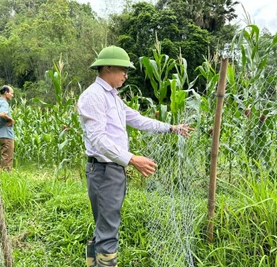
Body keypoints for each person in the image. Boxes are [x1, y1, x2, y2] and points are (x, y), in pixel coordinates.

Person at [77, 46, 194, 267]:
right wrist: (132, 159)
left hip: (111, 170)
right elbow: (98, 139)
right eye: (123, 69)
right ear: (108, 67)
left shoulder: (112, 97)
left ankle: (93, 264)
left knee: (104, 224)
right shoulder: (93, 96)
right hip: (103, 171)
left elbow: (138, 119)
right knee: (108, 228)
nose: (126, 75)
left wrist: (171, 128)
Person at [0, 85, 15, 171]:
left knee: (4, 155)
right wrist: (10, 119)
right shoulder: (4, 103)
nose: (12, 95)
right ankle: (6, 175)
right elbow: (2, 114)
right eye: (11, 93)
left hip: (0, 134)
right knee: (7, 157)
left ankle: (1, 173)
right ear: (6, 93)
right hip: (6, 134)